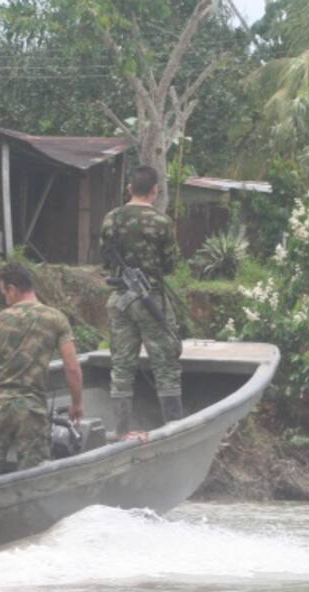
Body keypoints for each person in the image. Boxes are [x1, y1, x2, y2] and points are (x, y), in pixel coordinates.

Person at [0, 263, 84, 478]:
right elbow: (72, 368)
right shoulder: (56, 318)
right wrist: (77, 403)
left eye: (4, 293)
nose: (5, 299)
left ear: (12, 289)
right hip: (31, 408)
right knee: (33, 476)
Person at [99, 165, 183, 437]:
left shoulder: (111, 219)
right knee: (166, 366)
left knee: (122, 368)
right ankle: (174, 430)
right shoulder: (161, 222)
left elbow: (105, 258)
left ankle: (121, 433)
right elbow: (170, 265)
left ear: (129, 188)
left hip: (119, 299)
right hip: (150, 300)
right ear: (155, 191)